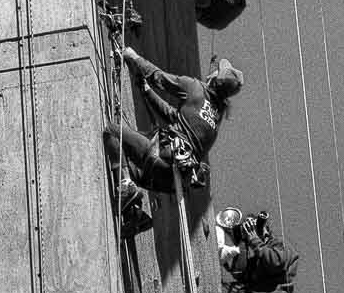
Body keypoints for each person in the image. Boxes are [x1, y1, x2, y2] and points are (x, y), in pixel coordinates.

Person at [104, 48, 243, 236]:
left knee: (112, 133)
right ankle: (135, 214)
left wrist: (134, 57)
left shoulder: (196, 88)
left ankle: (127, 185)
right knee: (125, 162)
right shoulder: (216, 119)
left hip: (160, 156)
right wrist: (147, 91)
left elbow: (158, 77)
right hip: (167, 181)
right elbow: (172, 116)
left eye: (217, 70)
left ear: (215, 79)